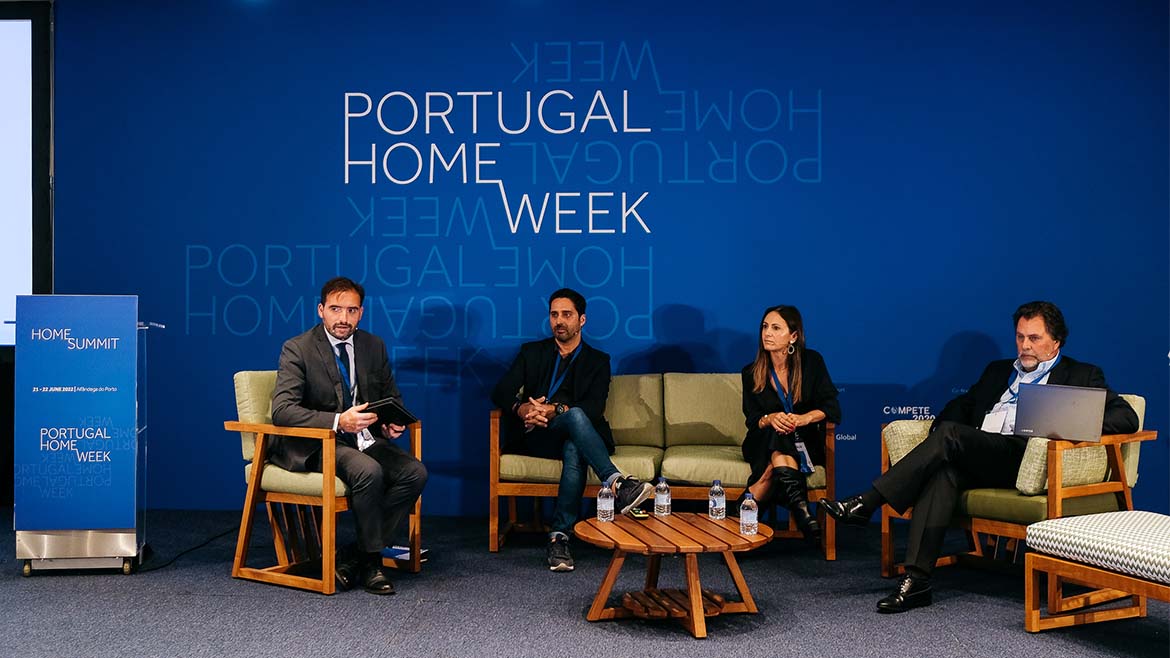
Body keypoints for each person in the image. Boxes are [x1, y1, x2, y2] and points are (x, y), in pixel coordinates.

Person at [822, 301, 1138, 613]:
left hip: (1024, 457)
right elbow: (963, 405)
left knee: (950, 437)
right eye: (1020, 337)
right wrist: (939, 432)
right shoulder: (998, 371)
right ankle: (917, 581)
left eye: (1034, 338)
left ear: (1056, 341)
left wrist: (1063, 423)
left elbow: (1126, 417)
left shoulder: (1081, 374)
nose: (1025, 346)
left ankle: (868, 501)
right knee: (943, 470)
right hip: (982, 451)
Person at [270, 276, 427, 595]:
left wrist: (390, 422)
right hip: (319, 444)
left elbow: (391, 397)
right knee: (368, 471)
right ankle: (372, 563)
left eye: (351, 311)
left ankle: (352, 555)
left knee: (414, 473)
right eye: (335, 309)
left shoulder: (373, 345)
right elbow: (283, 411)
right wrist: (339, 421)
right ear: (321, 310)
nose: (343, 318)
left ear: (361, 313)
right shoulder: (297, 348)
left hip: (364, 441)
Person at [491, 288, 654, 572]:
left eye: (567, 315)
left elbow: (593, 408)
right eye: (554, 315)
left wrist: (556, 409)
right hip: (539, 435)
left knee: (574, 439)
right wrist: (524, 410)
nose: (559, 321)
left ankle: (559, 537)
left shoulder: (597, 360)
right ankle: (619, 484)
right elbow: (501, 391)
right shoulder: (532, 352)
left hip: (578, 434)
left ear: (582, 320)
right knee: (573, 426)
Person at [740, 305, 841, 543]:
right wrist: (771, 418)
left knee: (770, 470)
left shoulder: (812, 362)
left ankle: (741, 521)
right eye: (765, 327)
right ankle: (801, 510)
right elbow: (753, 420)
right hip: (761, 441)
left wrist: (803, 418)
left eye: (776, 328)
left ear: (793, 336)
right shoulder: (751, 372)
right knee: (778, 430)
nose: (767, 333)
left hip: (804, 441)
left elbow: (832, 408)